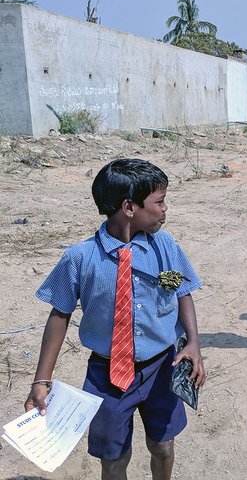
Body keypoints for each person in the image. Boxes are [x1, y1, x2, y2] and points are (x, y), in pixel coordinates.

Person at [25, 159, 205, 480]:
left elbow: (183, 293)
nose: (165, 209)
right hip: (106, 375)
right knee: (113, 459)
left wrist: (193, 343)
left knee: (163, 445)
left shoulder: (165, 246)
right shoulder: (80, 258)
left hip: (161, 367)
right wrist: (42, 379)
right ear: (129, 207)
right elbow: (60, 313)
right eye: (159, 202)